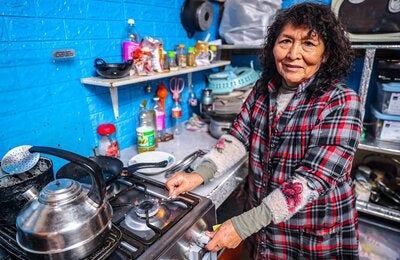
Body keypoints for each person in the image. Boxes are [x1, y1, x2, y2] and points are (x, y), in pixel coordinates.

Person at [166, 2, 362, 259]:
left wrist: (243, 224)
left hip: (311, 230)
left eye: (308, 44)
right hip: (265, 225)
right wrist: (198, 175)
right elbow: (238, 137)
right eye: (286, 41)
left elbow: (312, 180)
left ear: (326, 54)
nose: (293, 54)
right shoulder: (263, 88)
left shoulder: (342, 101)